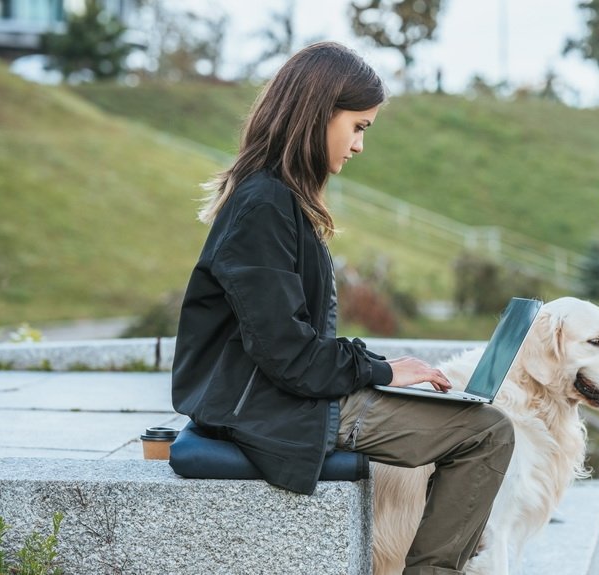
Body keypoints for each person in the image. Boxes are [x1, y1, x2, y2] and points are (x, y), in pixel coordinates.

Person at [171, 41, 515, 575]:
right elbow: (286, 353)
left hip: (273, 392)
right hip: (269, 404)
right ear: (317, 114)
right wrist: (378, 370)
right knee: (486, 432)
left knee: (480, 423)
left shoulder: (276, 198)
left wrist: (378, 371)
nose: (359, 145)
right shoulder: (264, 206)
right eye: (358, 126)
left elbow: (287, 338)